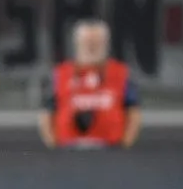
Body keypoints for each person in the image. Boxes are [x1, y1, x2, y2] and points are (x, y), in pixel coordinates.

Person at [39, 19, 141, 149]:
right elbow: (47, 113)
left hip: (111, 148)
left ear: (106, 44)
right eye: (87, 42)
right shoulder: (59, 74)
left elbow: (133, 112)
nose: (91, 47)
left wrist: (126, 144)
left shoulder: (122, 74)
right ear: (77, 43)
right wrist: (52, 145)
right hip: (68, 148)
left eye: (97, 42)